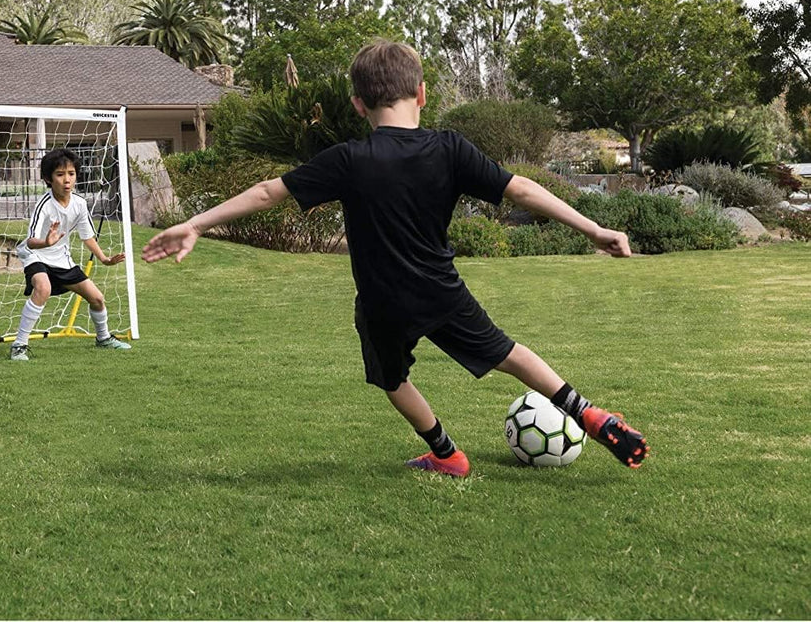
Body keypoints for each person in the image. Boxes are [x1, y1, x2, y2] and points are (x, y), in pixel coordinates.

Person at [142, 40, 648, 476]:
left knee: (392, 379)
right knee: (508, 355)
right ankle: (585, 412)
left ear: (359, 105)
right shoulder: (449, 149)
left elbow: (265, 192)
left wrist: (195, 223)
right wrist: (594, 228)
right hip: (440, 292)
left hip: (382, 301)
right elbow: (523, 190)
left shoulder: (349, 159)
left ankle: (447, 455)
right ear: (422, 94)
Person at [9, 148, 131, 361]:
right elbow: (30, 241)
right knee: (43, 288)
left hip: (61, 258)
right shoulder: (44, 205)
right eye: (60, 174)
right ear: (48, 179)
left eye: (71, 174)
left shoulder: (80, 204)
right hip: (35, 255)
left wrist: (104, 259)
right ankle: (19, 346)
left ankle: (103, 339)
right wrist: (46, 242)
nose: (67, 180)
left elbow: (87, 237)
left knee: (97, 298)